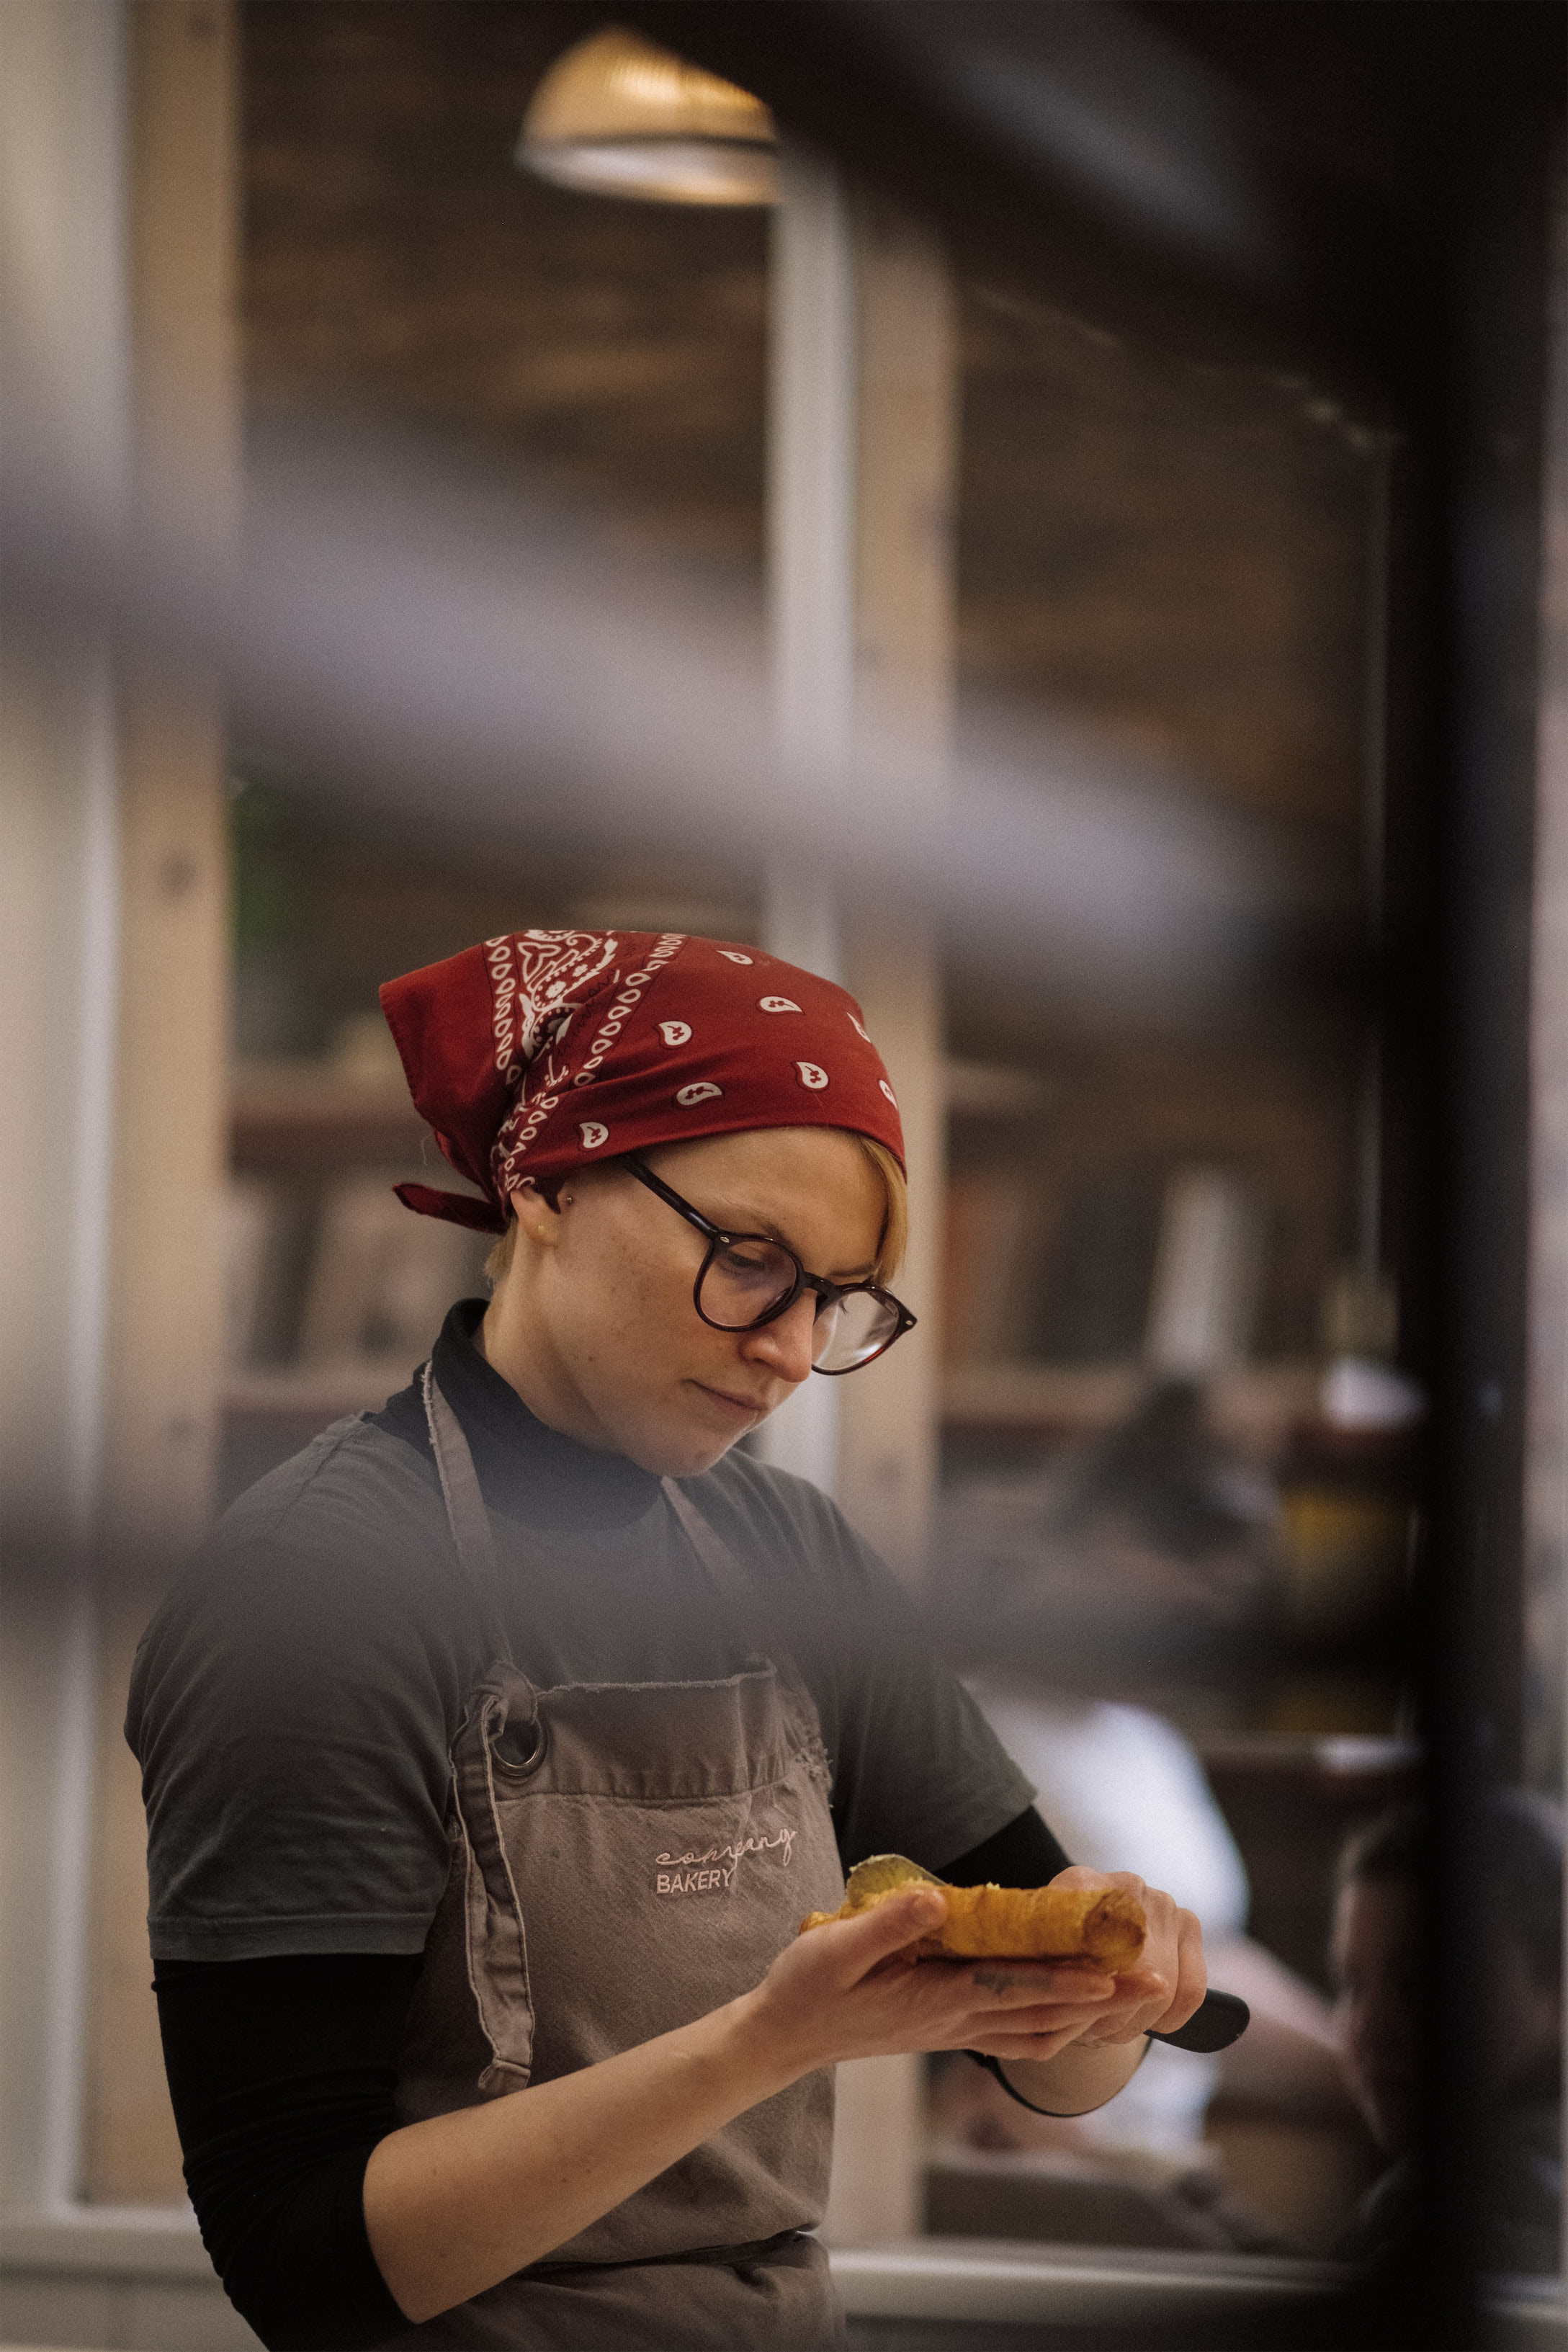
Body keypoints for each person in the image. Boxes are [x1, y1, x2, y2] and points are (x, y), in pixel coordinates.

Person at [128, 929, 1207, 2352]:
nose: (787, 1351)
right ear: (546, 1184)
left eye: (834, 1300)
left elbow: (1050, 2067)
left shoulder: (791, 1560)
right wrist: (769, 2041)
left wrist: (1115, 1994)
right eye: (749, 1260)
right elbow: (301, 2258)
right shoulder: (314, 1592)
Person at [1332, 1793, 1563, 2273]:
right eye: (1351, 1984)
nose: (1368, 2027)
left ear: (1556, 1989)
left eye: (1419, 1983)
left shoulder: (1468, 2196)